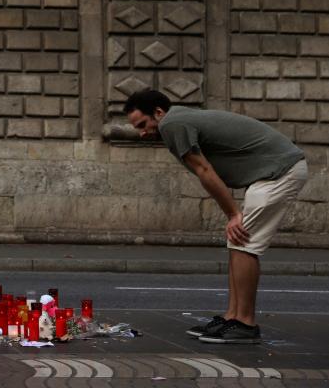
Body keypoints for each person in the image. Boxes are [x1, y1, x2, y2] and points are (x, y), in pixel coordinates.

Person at [123, 89, 308, 344]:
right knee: (237, 241)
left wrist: (233, 213)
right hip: (272, 173)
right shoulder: (179, 120)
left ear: (158, 112)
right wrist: (233, 215)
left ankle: (245, 323)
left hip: (280, 172)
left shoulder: (172, 125)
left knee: (245, 242)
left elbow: (205, 171)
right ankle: (233, 317)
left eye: (143, 125)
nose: (142, 133)